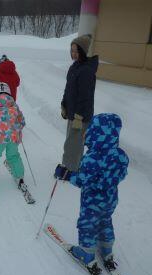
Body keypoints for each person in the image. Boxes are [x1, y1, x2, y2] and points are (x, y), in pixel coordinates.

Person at [55, 113, 129, 275]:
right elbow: (122, 175)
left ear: (96, 133)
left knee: (87, 225)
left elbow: (83, 180)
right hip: (110, 199)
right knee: (105, 221)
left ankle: (87, 254)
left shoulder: (92, 158)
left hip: (91, 202)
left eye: (91, 130)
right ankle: (107, 250)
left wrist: (66, 175)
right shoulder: (121, 155)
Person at [54, 34, 99, 179]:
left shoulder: (86, 70)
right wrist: (64, 104)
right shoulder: (75, 67)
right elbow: (69, 89)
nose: (73, 53)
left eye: (76, 51)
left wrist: (79, 115)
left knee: (73, 143)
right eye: (71, 50)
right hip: (73, 112)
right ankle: (74, 166)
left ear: (83, 52)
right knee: (73, 141)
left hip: (81, 115)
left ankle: (71, 171)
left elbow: (85, 96)